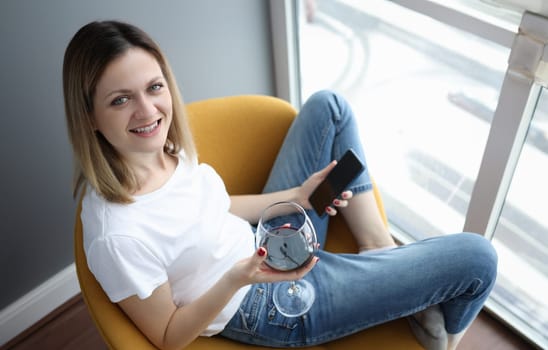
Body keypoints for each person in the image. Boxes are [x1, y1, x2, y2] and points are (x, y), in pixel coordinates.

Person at [63, 20, 497, 350]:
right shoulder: (117, 235)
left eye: (154, 87)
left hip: (262, 243)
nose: (147, 111)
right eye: (120, 100)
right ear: (89, 117)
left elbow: (213, 208)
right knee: (478, 258)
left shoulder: (164, 150)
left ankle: (377, 247)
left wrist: (297, 197)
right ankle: (426, 320)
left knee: (330, 107)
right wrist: (240, 278)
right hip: (266, 304)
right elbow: (168, 336)